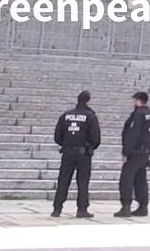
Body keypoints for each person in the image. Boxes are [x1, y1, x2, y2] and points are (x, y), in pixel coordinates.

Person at [51, 90, 100, 218]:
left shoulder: (66, 115)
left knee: (63, 180)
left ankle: (57, 209)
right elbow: (95, 138)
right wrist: (89, 146)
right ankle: (82, 209)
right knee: (83, 181)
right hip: (83, 153)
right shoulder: (90, 116)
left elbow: (57, 136)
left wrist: (66, 144)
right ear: (88, 101)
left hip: (67, 152)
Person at [115, 91, 150, 217]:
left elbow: (132, 135)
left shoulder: (138, 115)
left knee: (126, 178)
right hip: (145, 152)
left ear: (138, 100)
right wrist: (149, 152)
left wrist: (126, 152)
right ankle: (143, 206)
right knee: (140, 179)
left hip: (135, 152)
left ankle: (126, 206)